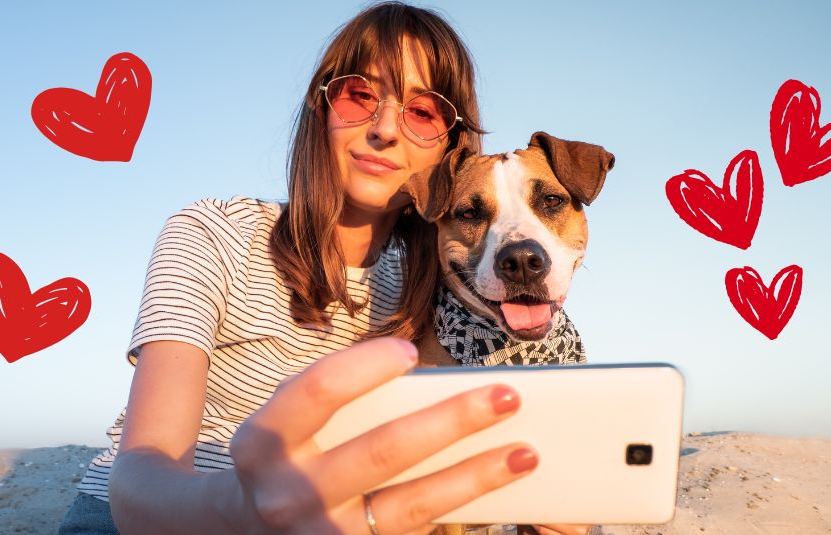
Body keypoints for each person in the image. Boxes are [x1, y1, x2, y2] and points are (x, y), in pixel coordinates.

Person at [58, 3, 593, 534]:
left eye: (422, 110)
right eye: (360, 95)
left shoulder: (449, 286)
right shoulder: (214, 233)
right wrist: (245, 508)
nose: (385, 127)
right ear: (321, 107)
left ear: (451, 150)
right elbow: (140, 477)